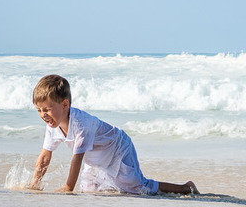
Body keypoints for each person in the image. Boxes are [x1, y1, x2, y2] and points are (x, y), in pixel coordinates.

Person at [30, 74, 198, 195]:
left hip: (118, 147)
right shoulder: (52, 125)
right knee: (91, 189)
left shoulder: (81, 124)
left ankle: (186, 187)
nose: (43, 114)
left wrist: (67, 187)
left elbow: (77, 159)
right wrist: (34, 185)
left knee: (138, 187)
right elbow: (45, 156)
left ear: (65, 104)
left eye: (47, 109)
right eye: (39, 110)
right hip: (96, 156)